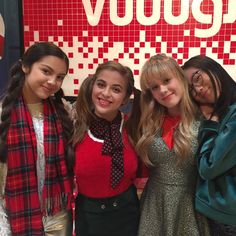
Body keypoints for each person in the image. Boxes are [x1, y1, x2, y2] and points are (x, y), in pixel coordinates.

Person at [0, 42, 74, 235]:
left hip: (56, 215)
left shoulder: (63, 110)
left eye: (60, 77)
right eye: (46, 71)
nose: (52, 82)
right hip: (12, 214)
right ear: (25, 66)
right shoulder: (3, 113)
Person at [136, 53, 210, 236]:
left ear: (181, 78)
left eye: (167, 80)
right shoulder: (149, 121)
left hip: (190, 206)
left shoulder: (204, 119)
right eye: (155, 87)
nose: (162, 89)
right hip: (154, 206)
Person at [73, 61, 140, 236]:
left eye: (116, 89)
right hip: (88, 218)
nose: (105, 93)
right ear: (92, 86)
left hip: (128, 215)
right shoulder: (74, 126)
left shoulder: (134, 127)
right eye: (101, 85)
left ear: (126, 98)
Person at [182, 55, 236, 236]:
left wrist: (210, 123)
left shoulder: (230, 114)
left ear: (212, 68)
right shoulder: (224, 109)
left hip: (228, 217)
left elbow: (208, 167)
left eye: (197, 78)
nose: (198, 89)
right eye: (190, 90)